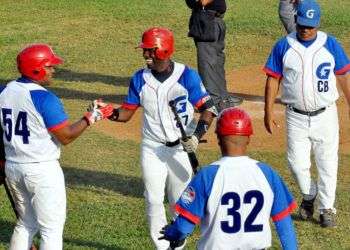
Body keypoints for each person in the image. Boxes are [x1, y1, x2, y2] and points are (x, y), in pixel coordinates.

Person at [105, 27, 217, 250]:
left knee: (179, 200)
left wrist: (196, 137)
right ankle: (161, 246)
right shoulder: (139, 79)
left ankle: (177, 242)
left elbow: (208, 109)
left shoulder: (186, 76)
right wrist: (107, 112)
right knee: (153, 199)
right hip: (152, 148)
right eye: (145, 50)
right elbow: (126, 114)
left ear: (163, 50)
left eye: (149, 50)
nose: (145, 55)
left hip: (181, 150)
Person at [0, 43, 113, 250]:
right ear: (36, 68)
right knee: (51, 229)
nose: (53, 70)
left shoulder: (5, 90)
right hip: (41, 169)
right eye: (49, 66)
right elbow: (66, 137)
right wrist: (91, 117)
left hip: (13, 167)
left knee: (25, 223)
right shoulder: (44, 98)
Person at [159, 107, 298, 250]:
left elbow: (183, 228)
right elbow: (284, 225)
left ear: (219, 139)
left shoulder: (207, 176)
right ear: (248, 139)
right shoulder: (268, 174)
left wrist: (172, 232)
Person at [264, 0, 350, 228]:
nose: (305, 29)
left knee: (327, 163)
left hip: (326, 116)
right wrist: (268, 112)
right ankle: (309, 194)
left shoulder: (330, 45)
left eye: (310, 26)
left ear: (318, 23)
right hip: (295, 116)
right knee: (296, 163)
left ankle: (326, 209)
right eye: (302, 24)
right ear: (296, 20)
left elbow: (343, 77)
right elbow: (273, 79)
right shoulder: (284, 45)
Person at [185, 0, 243, 112]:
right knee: (209, 62)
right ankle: (214, 101)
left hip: (213, 20)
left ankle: (222, 98)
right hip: (207, 19)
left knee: (216, 61)